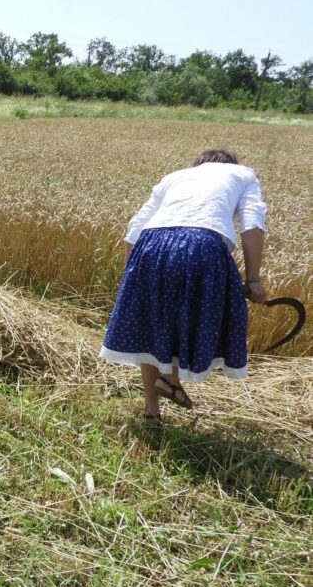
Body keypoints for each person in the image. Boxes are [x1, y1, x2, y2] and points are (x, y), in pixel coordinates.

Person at [100, 150, 268, 421]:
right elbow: (252, 225)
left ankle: (152, 409)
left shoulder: (175, 177)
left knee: (151, 330)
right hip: (203, 244)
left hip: (150, 244)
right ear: (230, 165)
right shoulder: (244, 174)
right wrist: (253, 279)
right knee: (189, 320)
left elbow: (136, 227)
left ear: (199, 165)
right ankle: (170, 380)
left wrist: (133, 277)